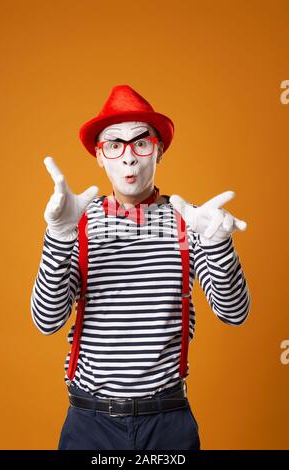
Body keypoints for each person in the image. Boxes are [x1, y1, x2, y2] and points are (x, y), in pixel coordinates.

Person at [30, 84, 251, 450]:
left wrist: (217, 244)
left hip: (167, 425)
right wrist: (59, 234)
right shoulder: (77, 221)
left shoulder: (190, 221)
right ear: (100, 157)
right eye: (114, 145)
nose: (129, 158)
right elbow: (46, 321)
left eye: (141, 143)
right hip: (89, 424)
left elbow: (234, 314)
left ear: (159, 150)